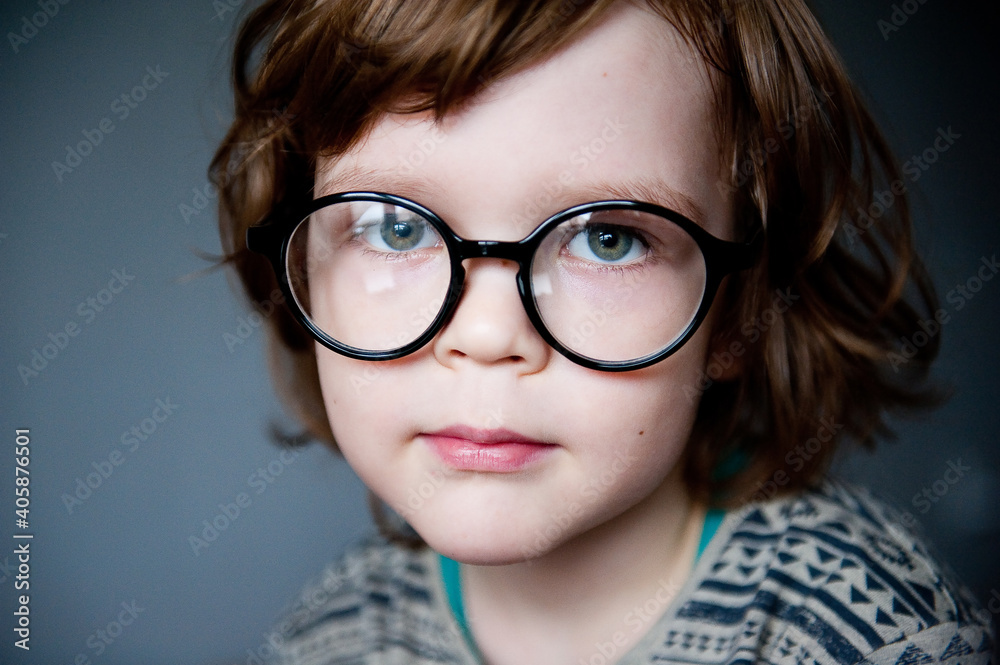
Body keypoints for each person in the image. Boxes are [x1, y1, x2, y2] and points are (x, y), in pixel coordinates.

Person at [210, 0, 995, 663]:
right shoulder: (330, 636)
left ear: (737, 311)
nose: (487, 334)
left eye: (604, 237)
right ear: (300, 270)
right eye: (395, 226)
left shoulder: (872, 627)